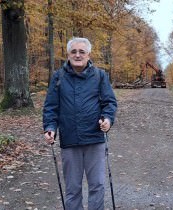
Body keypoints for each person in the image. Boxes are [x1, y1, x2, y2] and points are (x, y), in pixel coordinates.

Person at [43, 37, 117, 210]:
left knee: (97, 186)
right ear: (68, 55)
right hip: (70, 140)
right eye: (74, 52)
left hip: (95, 139)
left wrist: (107, 119)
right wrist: (50, 128)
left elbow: (109, 102)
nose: (78, 55)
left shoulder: (99, 76)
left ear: (88, 54)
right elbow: (51, 107)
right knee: (73, 188)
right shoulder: (58, 77)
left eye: (81, 52)